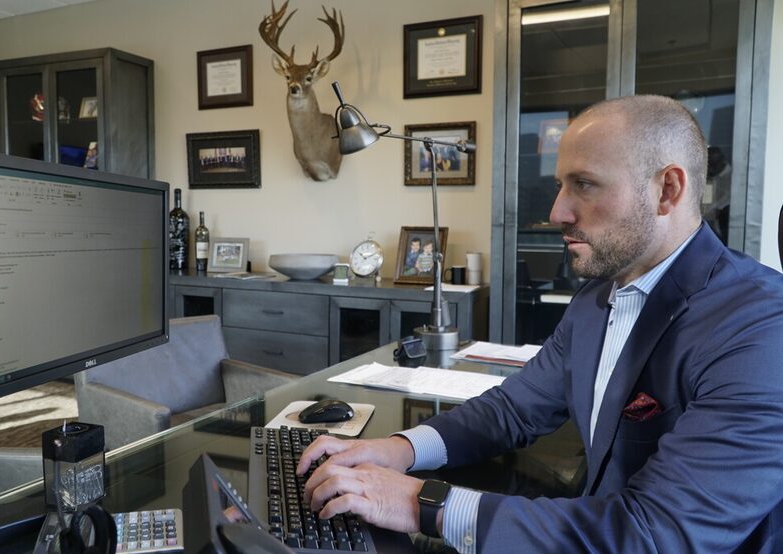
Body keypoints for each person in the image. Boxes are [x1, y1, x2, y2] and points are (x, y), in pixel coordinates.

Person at [297, 95, 783, 552]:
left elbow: (656, 535)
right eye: (559, 186)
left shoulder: (759, 327)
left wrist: (417, 502)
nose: (557, 212)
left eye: (585, 185)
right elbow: (512, 409)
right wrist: (399, 449)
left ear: (667, 189)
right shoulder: (598, 297)